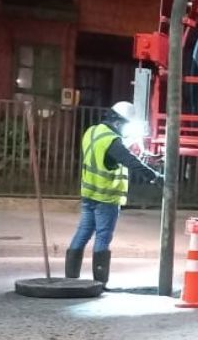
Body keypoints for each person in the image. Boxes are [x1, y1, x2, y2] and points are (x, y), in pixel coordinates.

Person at [66, 101, 161, 286]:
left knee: (83, 232)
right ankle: (99, 282)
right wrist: (154, 176)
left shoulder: (92, 132)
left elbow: (112, 154)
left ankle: (70, 277)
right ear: (119, 122)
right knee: (103, 237)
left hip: (88, 194)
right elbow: (130, 161)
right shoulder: (112, 141)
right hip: (106, 199)